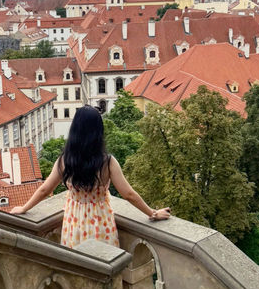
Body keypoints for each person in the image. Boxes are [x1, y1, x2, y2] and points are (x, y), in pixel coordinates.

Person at [10, 105, 170, 249]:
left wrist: (25, 208)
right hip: (101, 222)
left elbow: (45, 189)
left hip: (74, 223)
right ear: (98, 131)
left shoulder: (65, 160)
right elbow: (128, 194)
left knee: (79, 270)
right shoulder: (107, 162)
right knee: (105, 267)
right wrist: (152, 213)